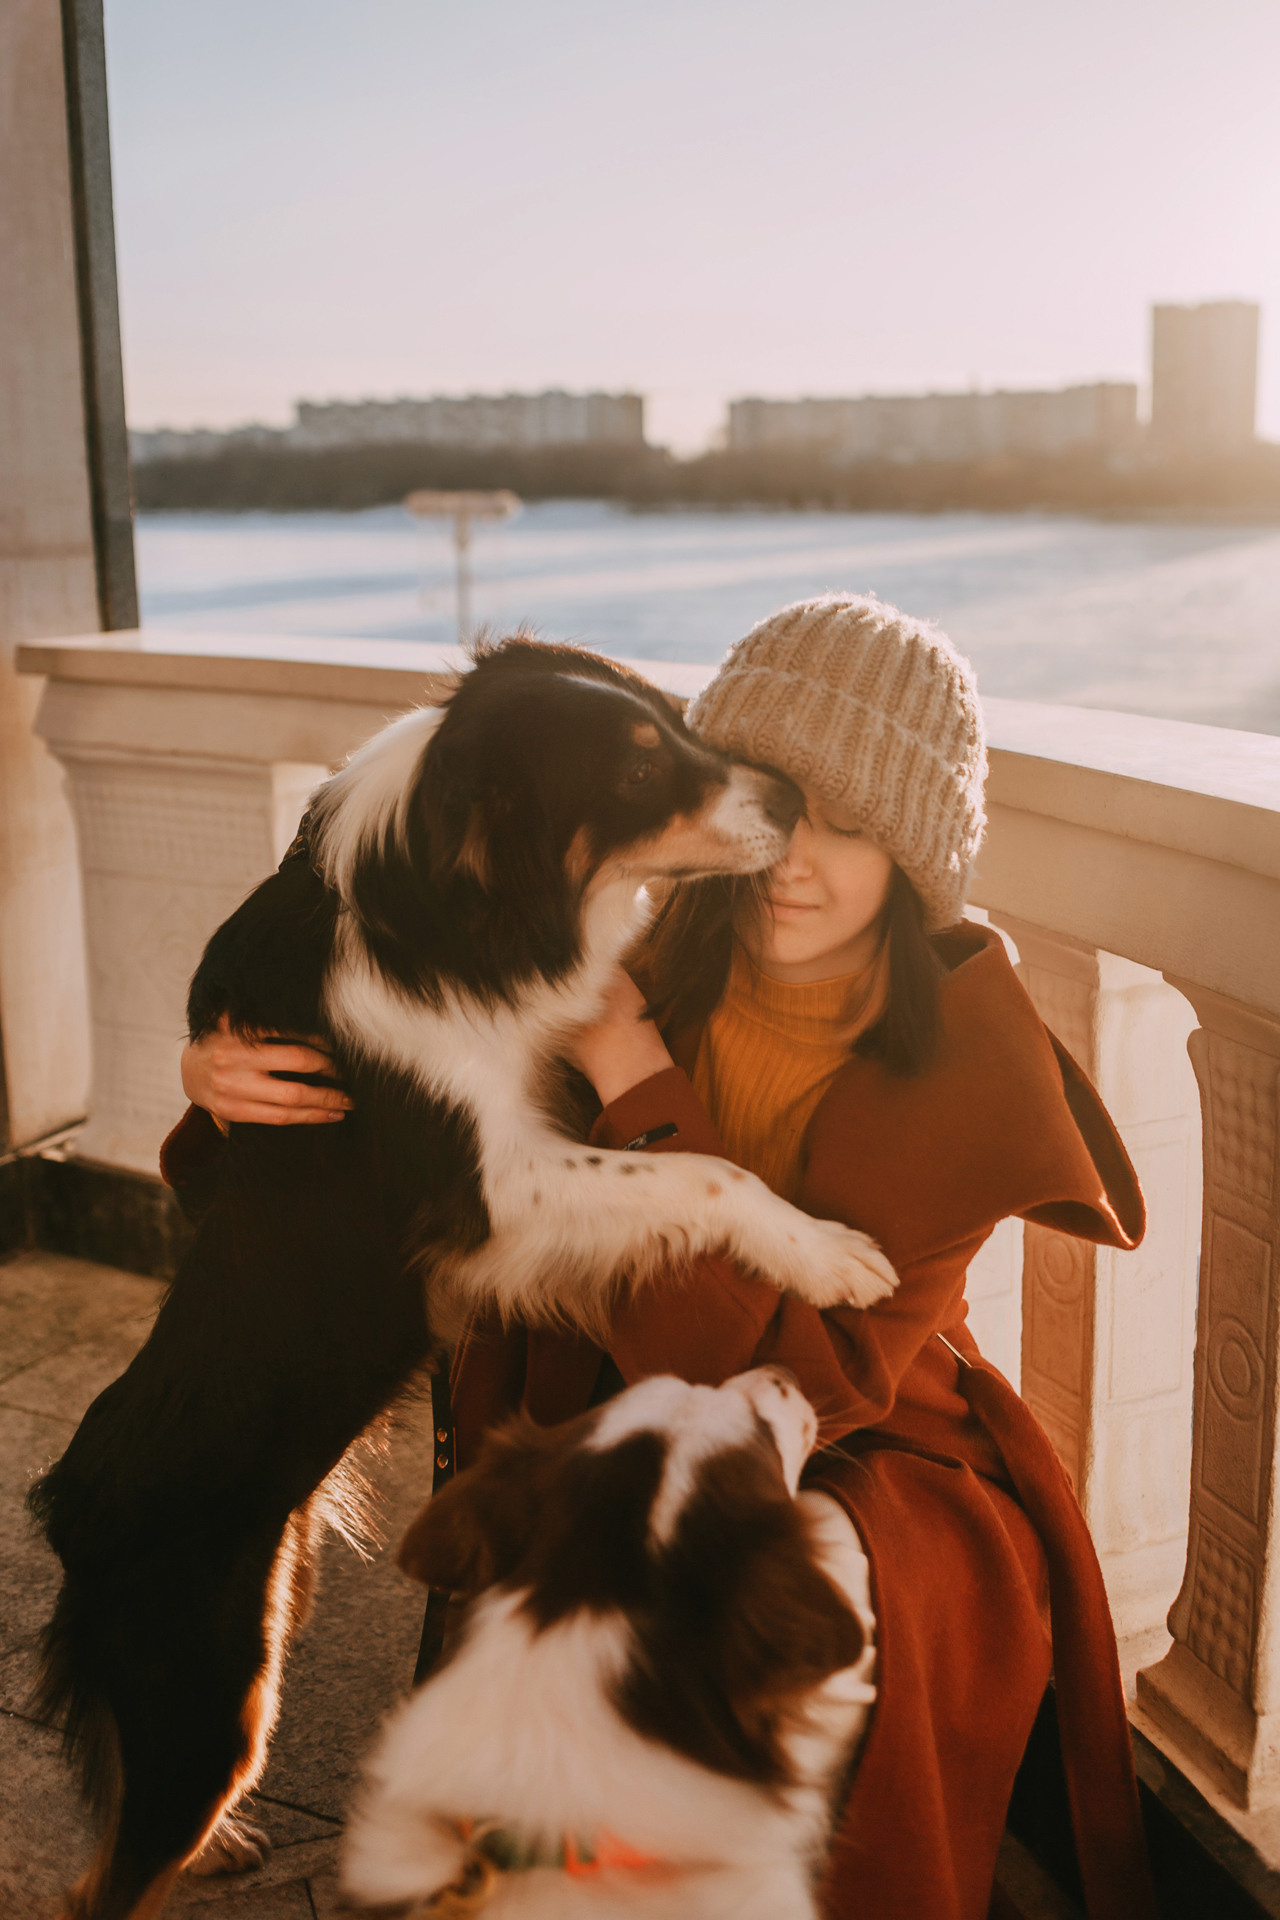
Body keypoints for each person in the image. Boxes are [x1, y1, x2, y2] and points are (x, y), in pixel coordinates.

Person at [168, 594, 1155, 1920]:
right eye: (774, 805)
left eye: (853, 830)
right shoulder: (659, 935)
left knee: (716, 1610)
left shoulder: (966, 1064)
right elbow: (412, 1089)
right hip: (637, 1379)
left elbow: (766, 1373)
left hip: (869, 1443)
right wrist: (231, 1074)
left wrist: (631, 1070)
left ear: (918, 856)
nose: (793, 862)